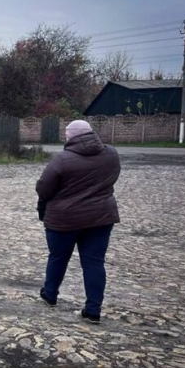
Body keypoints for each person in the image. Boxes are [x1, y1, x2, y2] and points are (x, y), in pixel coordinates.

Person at [36, 120, 120, 325]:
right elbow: (113, 177)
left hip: (65, 218)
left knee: (58, 257)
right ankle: (93, 310)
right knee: (94, 262)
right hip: (101, 217)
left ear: (71, 136)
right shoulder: (111, 154)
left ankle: (50, 294)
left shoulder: (62, 160)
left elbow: (43, 188)